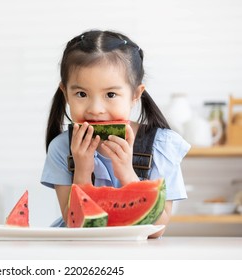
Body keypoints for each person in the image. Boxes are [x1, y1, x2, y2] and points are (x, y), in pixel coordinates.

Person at [40, 29, 191, 238]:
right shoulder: (62, 148)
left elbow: (158, 229)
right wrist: (82, 171)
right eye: (81, 94)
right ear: (65, 93)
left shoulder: (161, 146)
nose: (95, 108)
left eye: (111, 94)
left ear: (135, 94)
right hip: (78, 252)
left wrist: (127, 174)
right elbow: (73, 222)